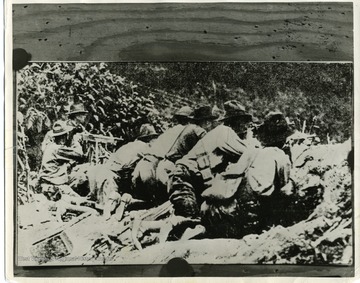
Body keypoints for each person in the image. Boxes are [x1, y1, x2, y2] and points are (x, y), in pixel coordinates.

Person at [200, 111, 293, 238]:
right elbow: (286, 190)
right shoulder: (281, 157)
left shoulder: (251, 151)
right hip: (244, 215)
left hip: (216, 208)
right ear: (284, 138)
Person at [167, 100, 254, 221]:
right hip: (184, 181)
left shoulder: (222, 134)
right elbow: (249, 154)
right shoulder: (225, 132)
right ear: (235, 121)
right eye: (243, 121)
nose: (246, 126)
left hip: (185, 181)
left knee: (193, 224)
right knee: (190, 224)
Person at [131, 105, 213, 205]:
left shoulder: (174, 130)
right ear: (206, 122)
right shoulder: (196, 130)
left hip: (157, 165)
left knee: (157, 203)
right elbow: (209, 145)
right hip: (168, 168)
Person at [85, 124, 159, 218]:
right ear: (149, 139)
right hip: (112, 178)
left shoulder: (129, 145)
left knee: (102, 206)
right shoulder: (145, 147)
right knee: (111, 208)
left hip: (101, 174)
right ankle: (121, 200)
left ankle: (116, 200)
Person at [38, 121, 85, 201]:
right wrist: (74, 140)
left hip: (50, 179)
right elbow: (80, 154)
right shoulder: (58, 149)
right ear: (64, 136)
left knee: (81, 177)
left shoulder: (51, 146)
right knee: (80, 200)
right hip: (53, 182)